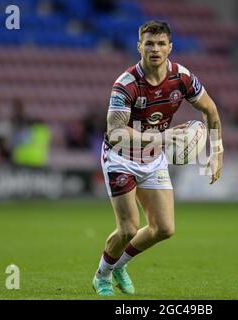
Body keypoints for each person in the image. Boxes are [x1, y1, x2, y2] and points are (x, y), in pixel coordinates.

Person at [92, 20, 224, 296]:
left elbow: (210, 110)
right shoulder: (125, 84)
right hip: (121, 158)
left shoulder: (182, 77)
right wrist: (162, 139)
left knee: (164, 228)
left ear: (170, 48)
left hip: (152, 158)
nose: (155, 48)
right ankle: (102, 275)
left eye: (161, 43)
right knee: (128, 229)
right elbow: (115, 132)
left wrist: (217, 152)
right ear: (139, 46)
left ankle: (119, 265)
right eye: (149, 43)